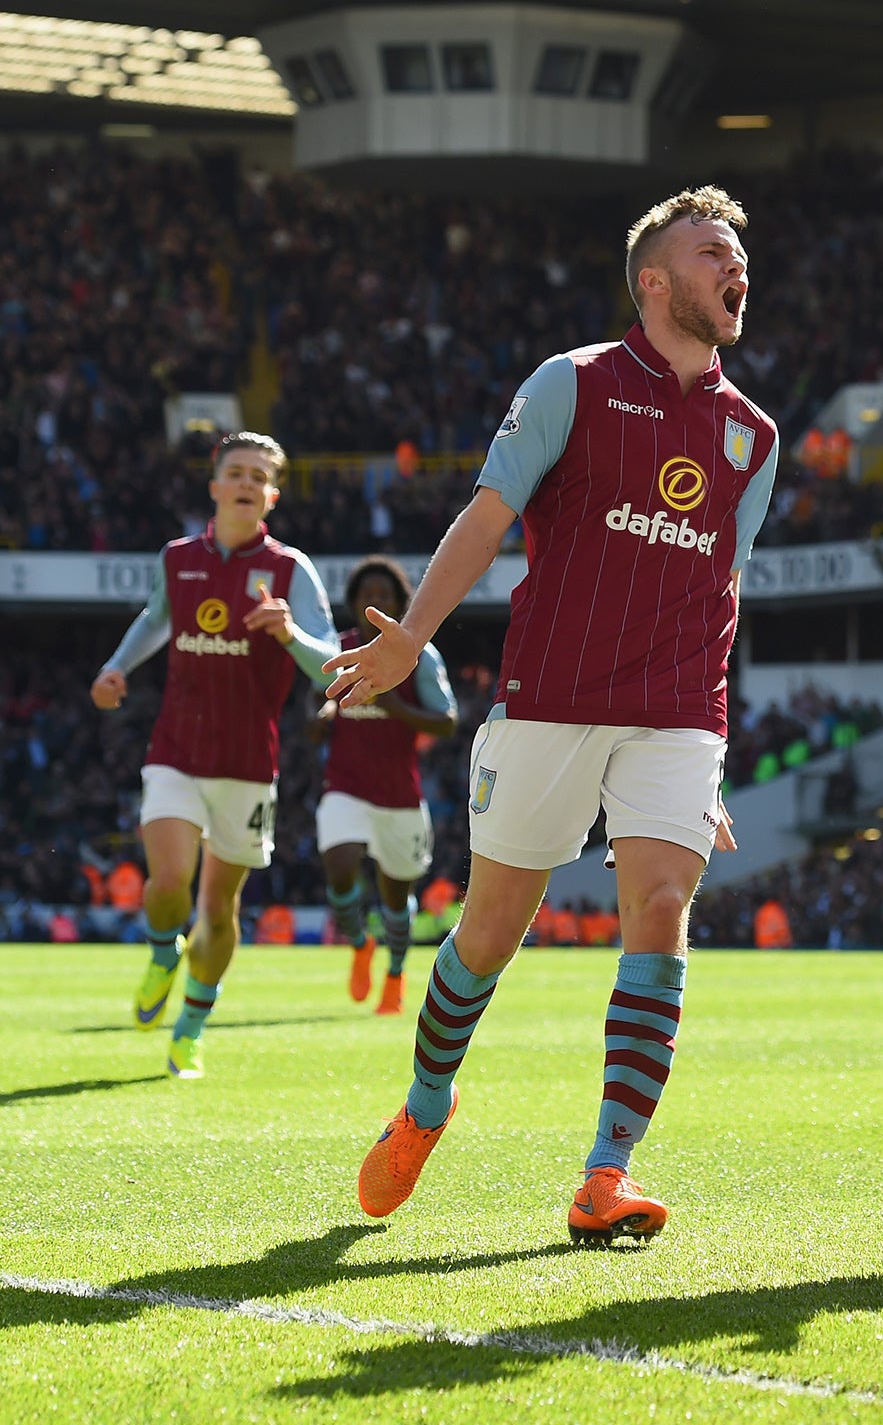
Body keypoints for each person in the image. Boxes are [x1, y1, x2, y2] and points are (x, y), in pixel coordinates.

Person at [324, 186, 779, 1244]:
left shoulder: (752, 436)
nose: (736, 269)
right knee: (489, 934)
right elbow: (485, 518)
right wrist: (411, 638)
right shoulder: (571, 384)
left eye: (741, 256)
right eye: (714, 252)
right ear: (657, 282)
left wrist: (712, 758)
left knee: (660, 902)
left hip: (675, 714)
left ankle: (606, 1173)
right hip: (548, 701)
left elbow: (728, 586)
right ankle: (425, 1107)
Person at [89, 431, 340, 1079]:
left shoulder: (291, 570)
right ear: (215, 485)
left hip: (249, 766)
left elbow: (327, 668)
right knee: (169, 882)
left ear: (273, 495)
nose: (246, 483)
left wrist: (288, 633)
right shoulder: (178, 557)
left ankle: (192, 1025)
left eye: (259, 476)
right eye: (236, 472)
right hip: (175, 750)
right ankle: (161, 954)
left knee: (219, 910)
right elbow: (155, 618)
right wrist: (117, 667)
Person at [308, 556, 458, 1013]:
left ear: (399, 604)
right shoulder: (338, 650)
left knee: (397, 895)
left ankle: (394, 974)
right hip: (345, 786)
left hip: (400, 796)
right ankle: (358, 944)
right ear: (354, 604)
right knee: (339, 866)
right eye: (366, 594)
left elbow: (447, 723)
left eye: (385, 594)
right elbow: (315, 709)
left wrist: (389, 702)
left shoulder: (420, 654)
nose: (375, 599)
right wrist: (320, 716)